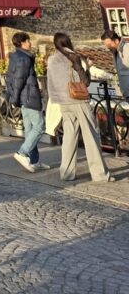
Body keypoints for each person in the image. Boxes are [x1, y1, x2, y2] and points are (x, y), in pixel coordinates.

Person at [47, 31, 114, 183]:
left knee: (69, 138)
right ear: (67, 42)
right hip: (78, 100)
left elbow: (51, 82)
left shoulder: (51, 59)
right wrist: (88, 67)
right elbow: (85, 82)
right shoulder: (73, 57)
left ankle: (67, 173)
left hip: (63, 102)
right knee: (91, 136)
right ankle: (100, 175)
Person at [6, 31, 48, 171]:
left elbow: (9, 78)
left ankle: (34, 160)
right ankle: (22, 153)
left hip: (24, 97)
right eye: (28, 41)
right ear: (22, 43)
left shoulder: (15, 56)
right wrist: (15, 98)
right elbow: (19, 80)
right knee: (39, 127)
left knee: (30, 129)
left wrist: (14, 96)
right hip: (29, 97)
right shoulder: (24, 59)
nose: (30, 43)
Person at [101, 29, 129, 97]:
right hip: (126, 92)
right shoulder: (115, 52)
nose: (108, 47)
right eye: (107, 46)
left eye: (109, 45)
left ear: (116, 41)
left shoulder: (127, 49)